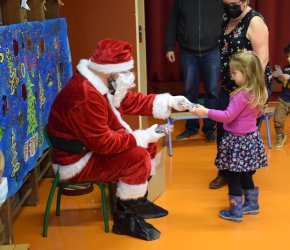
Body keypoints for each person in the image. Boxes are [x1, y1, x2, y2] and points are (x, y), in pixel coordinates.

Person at [47, 39, 190, 241]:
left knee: (147, 144)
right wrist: (143, 135)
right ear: (108, 70)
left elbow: (132, 101)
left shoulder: (100, 83)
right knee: (138, 156)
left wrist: (171, 101)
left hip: (89, 148)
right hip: (76, 161)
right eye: (122, 72)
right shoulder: (85, 95)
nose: (127, 77)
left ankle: (137, 200)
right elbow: (104, 144)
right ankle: (125, 219)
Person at [190, 51, 268, 222]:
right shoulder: (257, 92)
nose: (231, 76)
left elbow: (227, 116)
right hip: (250, 139)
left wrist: (205, 112)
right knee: (246, 173)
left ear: (246, 73)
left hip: (237, 141)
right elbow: (258, 114)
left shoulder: (241, 96)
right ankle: (252, 205)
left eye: (234, 73)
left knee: (233, 176)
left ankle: (235, 211)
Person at [209, 0, 272, 189]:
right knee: (223, 130)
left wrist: (251, 88)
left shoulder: (255, 21)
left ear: (245, 1)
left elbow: (263, 57)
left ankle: (245, 176)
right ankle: (226, 172)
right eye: (225, 2)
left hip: (251, 86)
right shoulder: (227, 18)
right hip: (230, 85)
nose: (229, 6)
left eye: (234, 2)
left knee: (244, 132)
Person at [165, 0, 224, 142]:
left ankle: (210, 128)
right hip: (187, 51)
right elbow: (173, 21)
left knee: (212, 90)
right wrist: (169, 46)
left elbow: (228, 21)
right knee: (189, 90)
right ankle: (191, 127)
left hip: (213, 50)